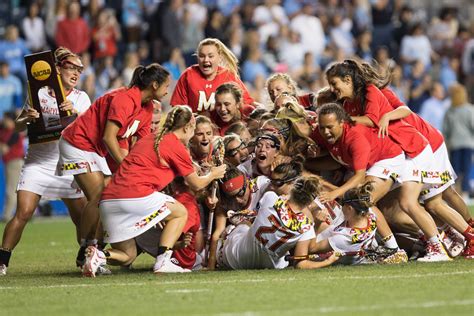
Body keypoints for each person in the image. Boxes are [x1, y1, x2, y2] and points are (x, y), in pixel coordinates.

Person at [82, 106, 227, 276]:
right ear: (187, 127)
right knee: (180, 212)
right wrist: (213, 174)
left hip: (108, 201)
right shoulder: (175, 145)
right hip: (134, 196)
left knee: (128, 255)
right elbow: (195, 184)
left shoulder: (149, 138)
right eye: (194, 129)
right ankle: (163, 262)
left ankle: (99, 255)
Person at [57, 63, 171, 267]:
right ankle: (86, 249)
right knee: (99, 195)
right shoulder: (124, 99)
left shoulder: (146, 109)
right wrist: (128, 169)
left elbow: (140, 146)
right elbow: (109, 138)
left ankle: (95, 250)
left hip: (95, 149)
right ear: (154, 85)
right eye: (166, 85)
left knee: (107, 193)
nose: (167, 90)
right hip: (77, 142)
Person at [0, 47, 91, 276]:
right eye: (71, 67)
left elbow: (90, 132)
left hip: (69, 164)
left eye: (80, 69)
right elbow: (19, 126)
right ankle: (2, 261)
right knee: (23, 212)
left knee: (80, 217)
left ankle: (85, 256)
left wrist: (76, 115)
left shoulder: (81, 98)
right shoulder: (39, 93)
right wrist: (26, 117)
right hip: (39, 162)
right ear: (58, 69)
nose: (76, 73)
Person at [216, 176, 339, 270]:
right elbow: (300, 264)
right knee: (281, 258)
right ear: (309, 202)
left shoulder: (270, 198)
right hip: (267, 267)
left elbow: (280, 207)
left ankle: (235, 225)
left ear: (292, 190)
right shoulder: (307, 227)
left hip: (233, 258)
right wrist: (326, 262)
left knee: (245, 224)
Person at [170, 38, 255, 117]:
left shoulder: (228, 76)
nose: (206, 60)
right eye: (202, 56)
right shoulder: (188, 75)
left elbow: (247, 103)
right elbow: (177, 110)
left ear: (219, 57)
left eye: (210, 56)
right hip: (195, 130)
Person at [0, 112, 24, 222]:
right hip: (10, 162)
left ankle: (7, 215)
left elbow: (5, 149)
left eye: (6, 119)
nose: (4, 121)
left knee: (12, 189)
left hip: (14, 162)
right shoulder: (4, 130)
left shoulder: (14, 131)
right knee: (15, 189)